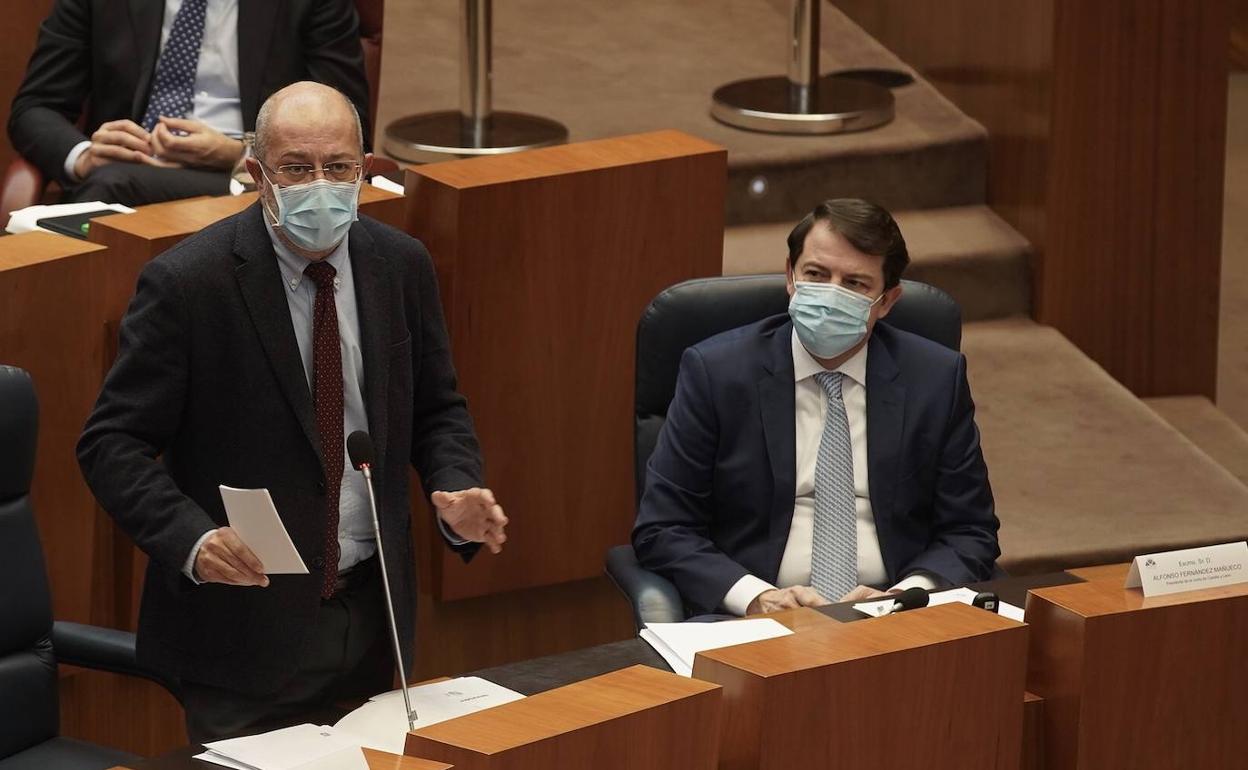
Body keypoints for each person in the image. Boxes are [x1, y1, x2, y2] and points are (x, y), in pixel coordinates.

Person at [77, 82, 506, 741]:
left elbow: (437, 408)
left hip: (368, 619)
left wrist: (455, 485)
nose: (321, 186)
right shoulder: (191, 283)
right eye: (298, 169)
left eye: (339, 168)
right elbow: (112, 442)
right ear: (256, 173)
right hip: (241, 632)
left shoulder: (400, 266)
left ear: (367, 169)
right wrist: (190, 539)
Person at [632, 199, 999, 618]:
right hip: (758, 614)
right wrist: (754, 597)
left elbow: (970, 531)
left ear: (887, 301)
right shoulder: (716, 372)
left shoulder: (934, 378)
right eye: (816, 275)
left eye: (855, 284)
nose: (830, 296)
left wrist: (906, 595)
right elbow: (663, 527)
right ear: (790, 276)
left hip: (891, 615)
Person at [9, 0, 371, 207]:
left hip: (251, 181)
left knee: (110, 187)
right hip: (124, 168)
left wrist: (239, 153)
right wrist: (85, 155)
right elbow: (35, 107)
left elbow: (347, 124)